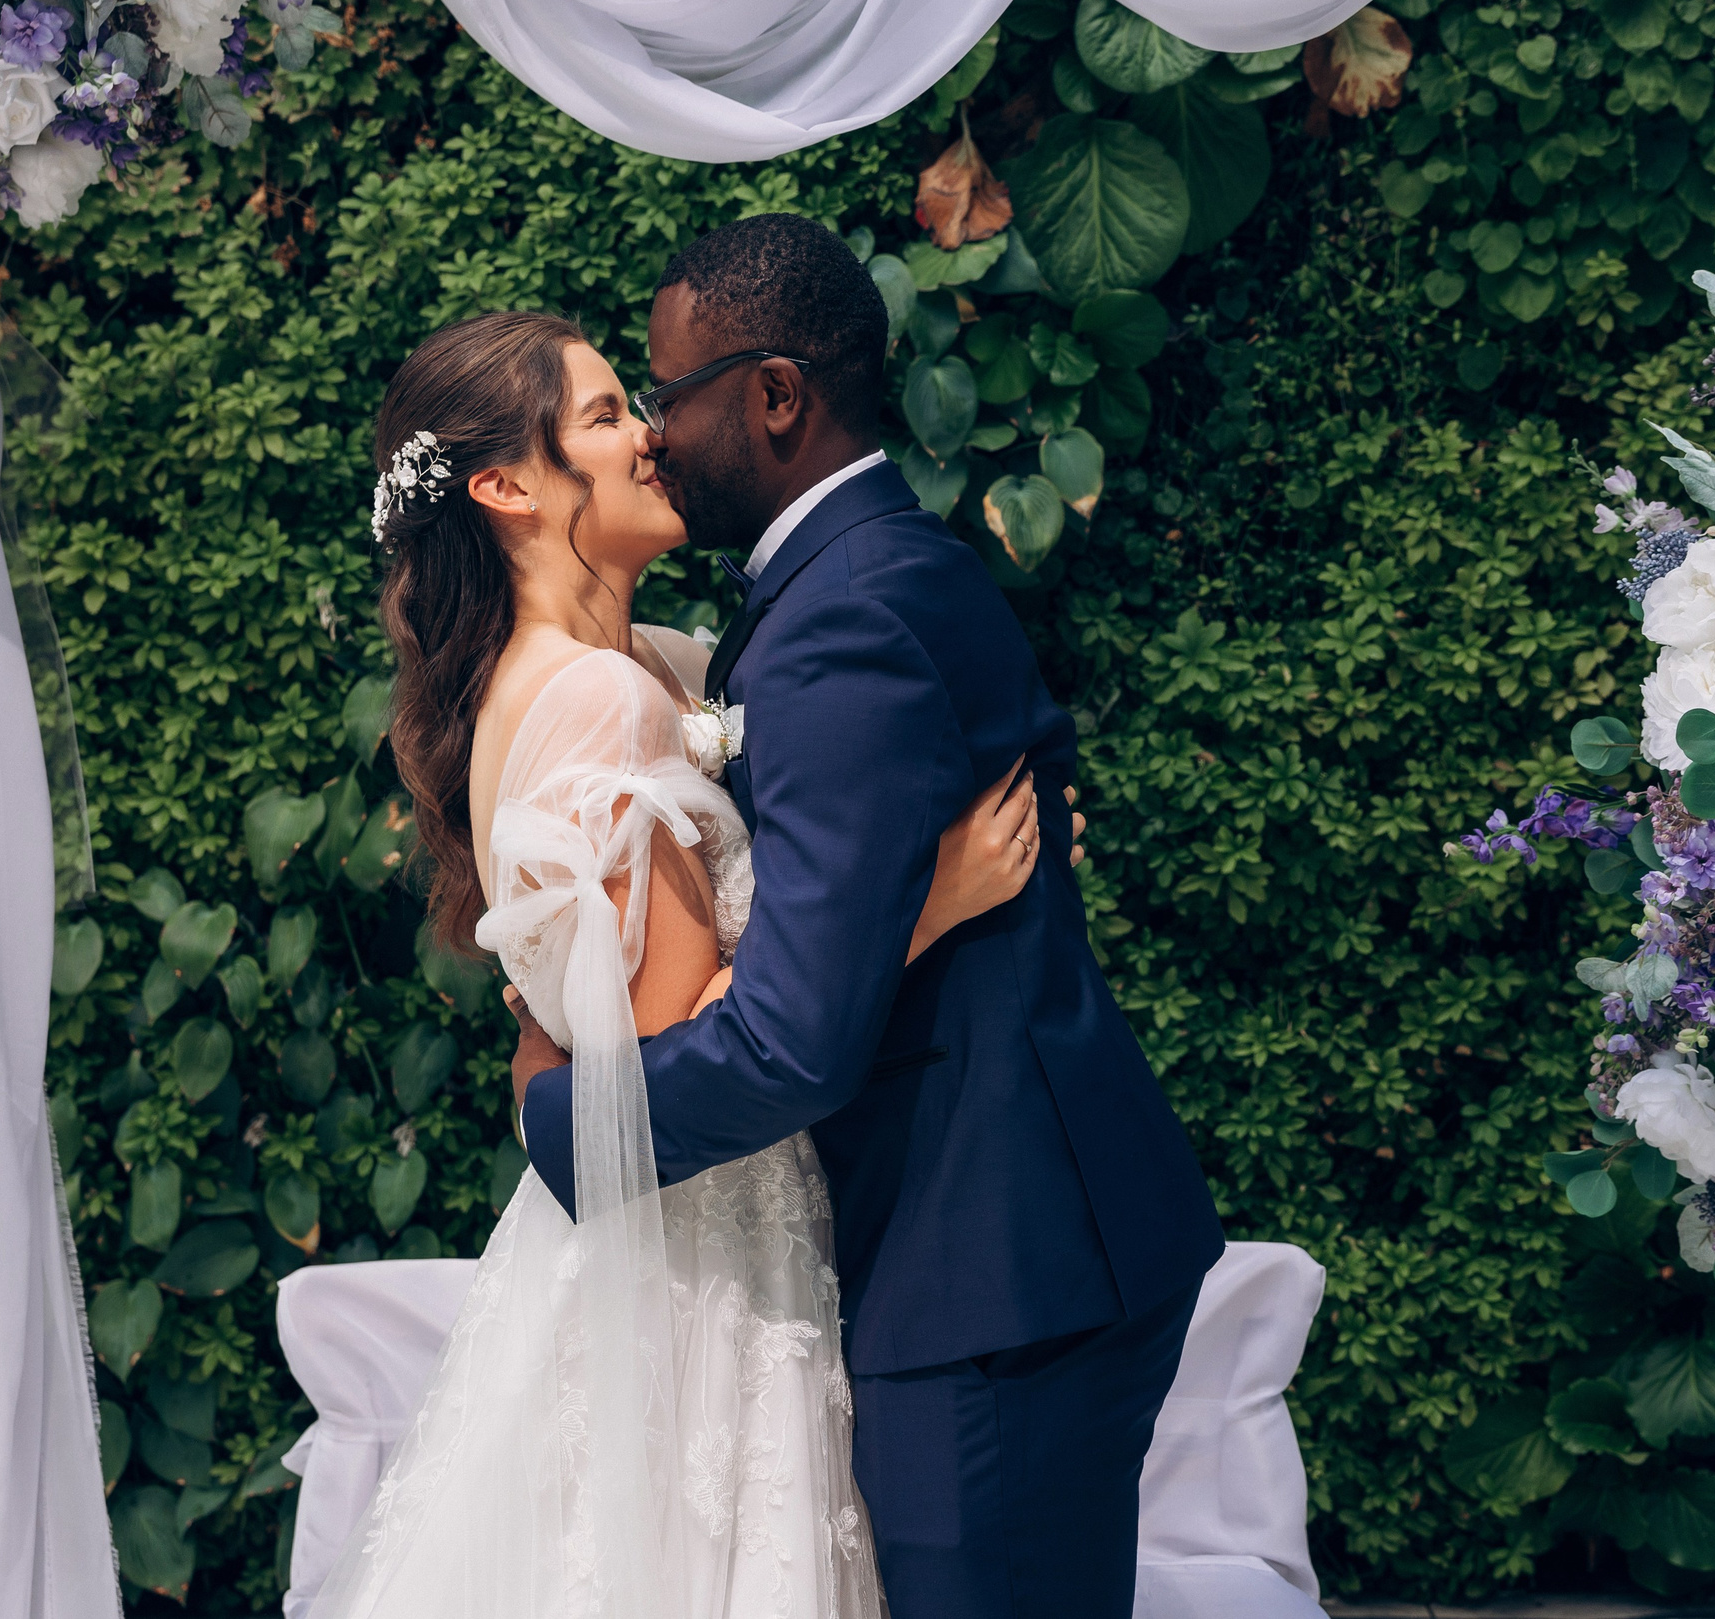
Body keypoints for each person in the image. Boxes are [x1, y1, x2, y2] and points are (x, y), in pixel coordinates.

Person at [513, 213, 1225, 1618]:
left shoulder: (841, 617)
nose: (654, 434)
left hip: (992, 1276)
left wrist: (563, 1116)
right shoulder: (857, 580)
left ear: (776, 397)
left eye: (669, 394)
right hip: (1004, 1248)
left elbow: (790, 1043)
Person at [307, 307, 1051, 1618]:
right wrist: (923, 905)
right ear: (507, 489)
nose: (649, 433)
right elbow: (682, 1043)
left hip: (663, 1231)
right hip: (700, 1250)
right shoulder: (600, 698)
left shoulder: (641, 667)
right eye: (603, 416)